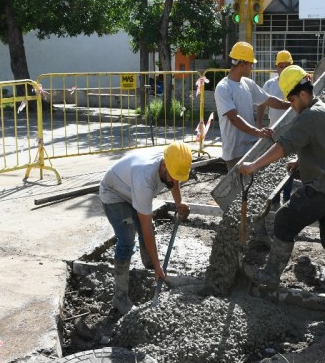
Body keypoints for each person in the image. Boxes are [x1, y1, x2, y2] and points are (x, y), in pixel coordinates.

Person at [238, 65, 325, 296]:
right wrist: (300, 163)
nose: (291, 105)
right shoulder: (324, 108)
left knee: (283, 219)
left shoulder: (309, 116)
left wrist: (252, 166)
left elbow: (283, 146)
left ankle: (271, 276)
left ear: (303, 94)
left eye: (291, 100)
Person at [99, 141, 192, 314]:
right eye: (172, 175)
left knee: (145, 228)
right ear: (163, 165)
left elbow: (174, 179)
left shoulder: (171, 159)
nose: (174, 180)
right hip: (114, 193)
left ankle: (149, 266)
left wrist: (180, 203)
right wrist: (159, 264)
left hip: (130, 187)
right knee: (127, 240)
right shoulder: (145, 178)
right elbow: (147, 228)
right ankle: (120, 297)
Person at [214, 41, 289, 171]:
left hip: (251, 147)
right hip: (234, 152)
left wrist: (291, 105)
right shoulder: (223, 88)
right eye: (251, 64)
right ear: (242, 64)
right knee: (239, 189)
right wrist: (257, 132)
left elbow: (269, 100)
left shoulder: (248, 84)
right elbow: (233, 118)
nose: (252, 67)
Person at [256, 49, 296, 204]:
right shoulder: (270, 85)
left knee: (288, 166)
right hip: (274, 132)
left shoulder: (296, 84)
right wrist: (259, 123)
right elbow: (261, 103)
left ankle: (286, 197)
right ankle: (274, 197)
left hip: (291, 133)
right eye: (281, 66)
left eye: (287, 66)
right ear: (276, 67)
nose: (283, 69)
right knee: (273, 165)